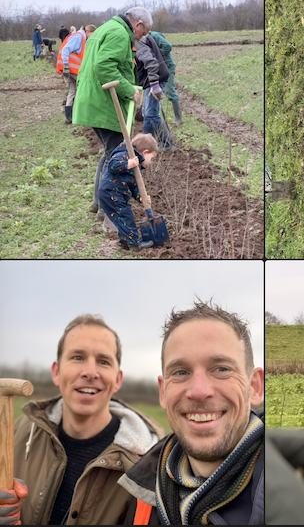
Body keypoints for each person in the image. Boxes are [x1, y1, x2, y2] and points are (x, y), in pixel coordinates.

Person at [5, 314, 165, 525]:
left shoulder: (148, 465)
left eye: (103, 361)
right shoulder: (21, 433)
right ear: (56, 372)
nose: (90, 372)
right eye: (78, 357)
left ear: (117, 380)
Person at [118, 298, 264, 524]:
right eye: (180, 372)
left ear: (254, 386)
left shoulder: (286, 495)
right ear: (163, 392)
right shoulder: (141, 494)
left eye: (222, 369)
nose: (198, 391)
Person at [72, 6, 153, 224]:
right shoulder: (118, 33)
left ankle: (98, 204)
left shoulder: (105, 28)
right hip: (104, 103)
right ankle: (110, 216)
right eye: (143, 33)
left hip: (93, 101)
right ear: (137, 25)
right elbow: (104, 66)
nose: (141, 38)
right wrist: (129, 91)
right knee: (119, 158)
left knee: (110, 153)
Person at [97, 132, 159, 249]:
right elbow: (112, 166)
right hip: (110, 192)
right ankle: (135, 243)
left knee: (122, 217)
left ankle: (124, 241)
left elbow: (134, 186)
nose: (150, 162)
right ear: (145, 152)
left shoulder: (137, 167)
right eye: (151, 158)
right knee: (126, 216)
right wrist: (127, 164)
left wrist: (140, 196)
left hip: (116, 194)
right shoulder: (124, 154)